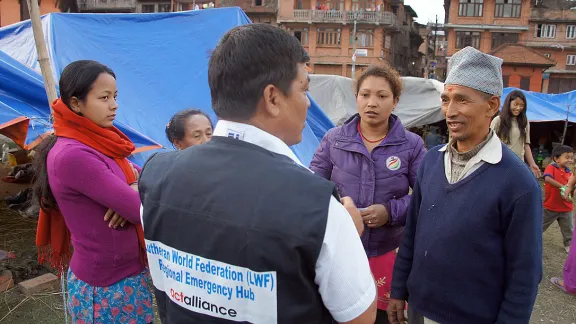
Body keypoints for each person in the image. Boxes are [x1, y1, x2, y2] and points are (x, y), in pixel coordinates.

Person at [139, 24, 376, 324]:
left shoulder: (155, 176)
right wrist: (347, 236)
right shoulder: (318, 207)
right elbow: (360, 317)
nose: (307, 103)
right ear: (273, 98)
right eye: (304, 90)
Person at [387, 47, 543, 324]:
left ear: (492, 105)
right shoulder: (431, 162)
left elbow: (525, 273)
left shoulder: (518, 183)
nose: (450, 111)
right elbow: (412, 233)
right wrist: (398, 289)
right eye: (446, 100)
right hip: (419, 310)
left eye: (462, 100)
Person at [32, 60, 153, 323]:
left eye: (115, 96)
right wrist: (130, 197)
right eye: (104, 97)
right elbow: (137, 209)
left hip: (125, 276)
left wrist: (131, 188)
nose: (114, 105)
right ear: (76, 104)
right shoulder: (74, 154)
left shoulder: (99, 142)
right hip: (106, 289)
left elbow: (141, 177)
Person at [310, 64, 426, 323]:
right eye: (365, 94)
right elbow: (312, 188)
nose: (372, 103)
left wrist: (391, 212)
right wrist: (342, 211)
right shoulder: (333, 140)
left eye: (382, 96)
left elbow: (425, 195)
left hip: (388, 250)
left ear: (395, 102)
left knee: (384, 317)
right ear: (356, 98)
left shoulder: (412, 145)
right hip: (340, 252)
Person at [491, 90, 541, 178]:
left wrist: (532, 164)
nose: (518, 108)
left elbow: (526, 145)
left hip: (518, 164)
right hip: (501, 163)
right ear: (509, 103)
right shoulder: (498, 121)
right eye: (516, 104)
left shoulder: (524, 122)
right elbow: (489, 143)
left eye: (521, 105)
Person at [543, 145, 574, 253]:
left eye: (572, 157)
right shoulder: (551, 168)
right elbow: (547, 179)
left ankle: (569, 245)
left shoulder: (570, 172)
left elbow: (571, 189)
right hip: (550, 207)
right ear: (556, 159)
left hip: (566, 208)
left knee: (568, 230)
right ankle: (531, 240)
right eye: (567, 157)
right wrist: (562, 187)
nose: (570, 160)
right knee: (539, 226)